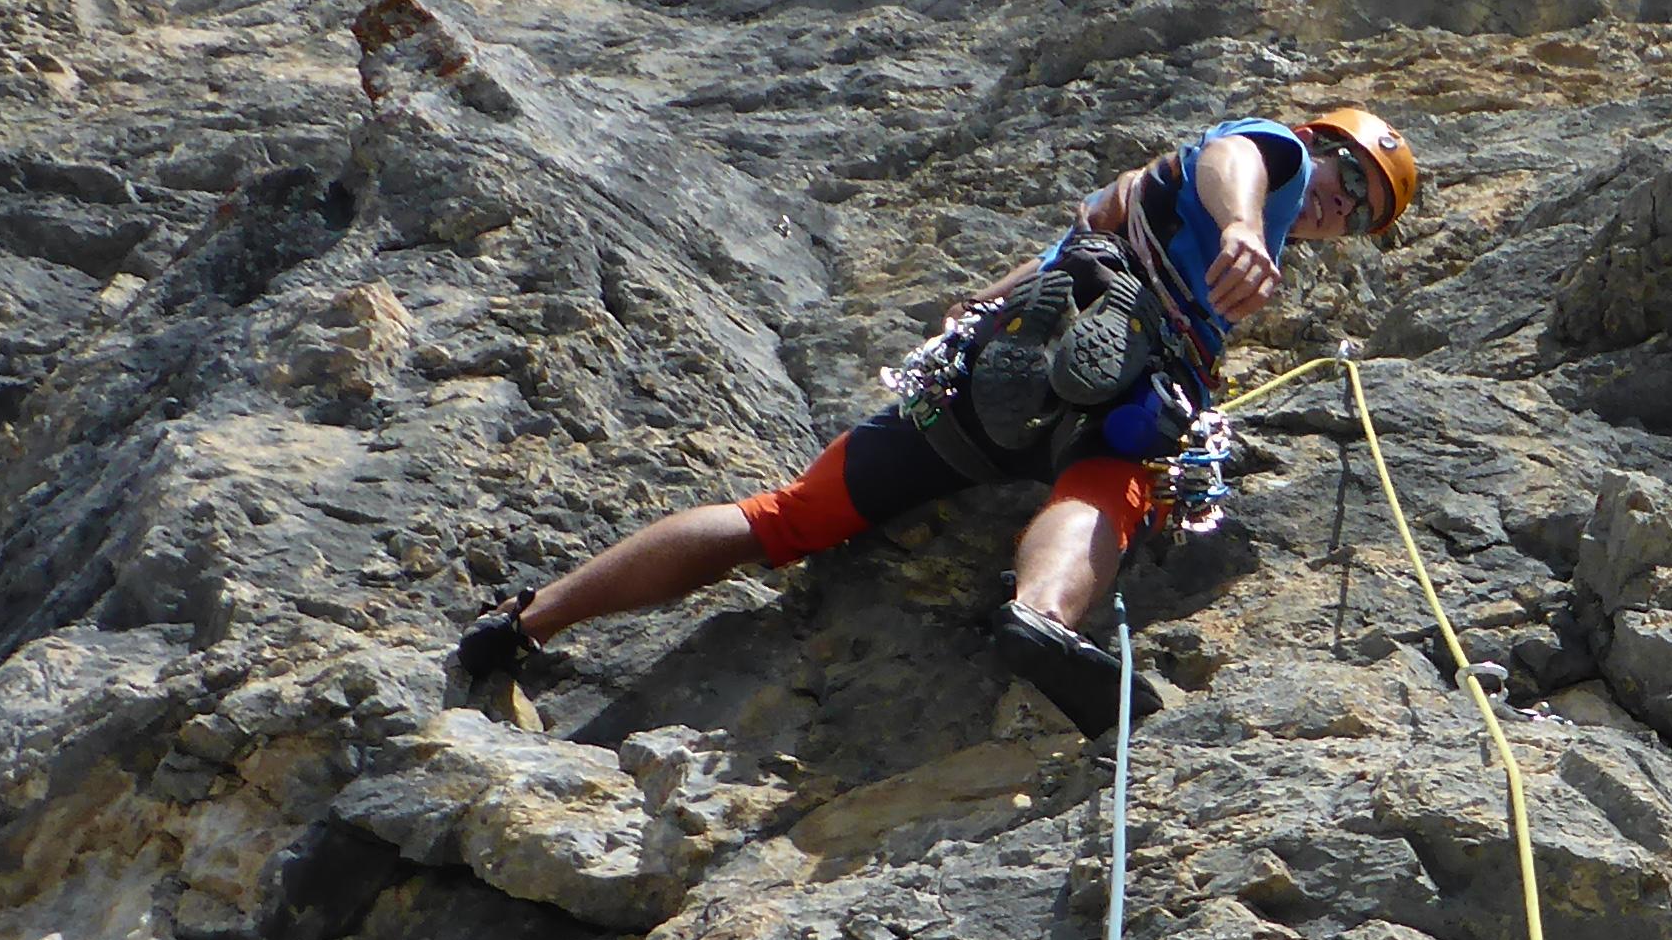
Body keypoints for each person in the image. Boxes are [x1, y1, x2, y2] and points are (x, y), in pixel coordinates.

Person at [455, 106, 1417, 730]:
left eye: (1357, 215)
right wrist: (1248, 226)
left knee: (786, 519)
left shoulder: (1132, 194)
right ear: (1320, 145)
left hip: (1001, 367)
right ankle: (1039, 620)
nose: (1336, 205)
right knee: (1116, 484)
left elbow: (1058, 254)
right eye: (1348, 179)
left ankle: (525, 623)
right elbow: (1239, 156)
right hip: (1119, 375)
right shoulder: (1273, 163)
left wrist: (972, 320)